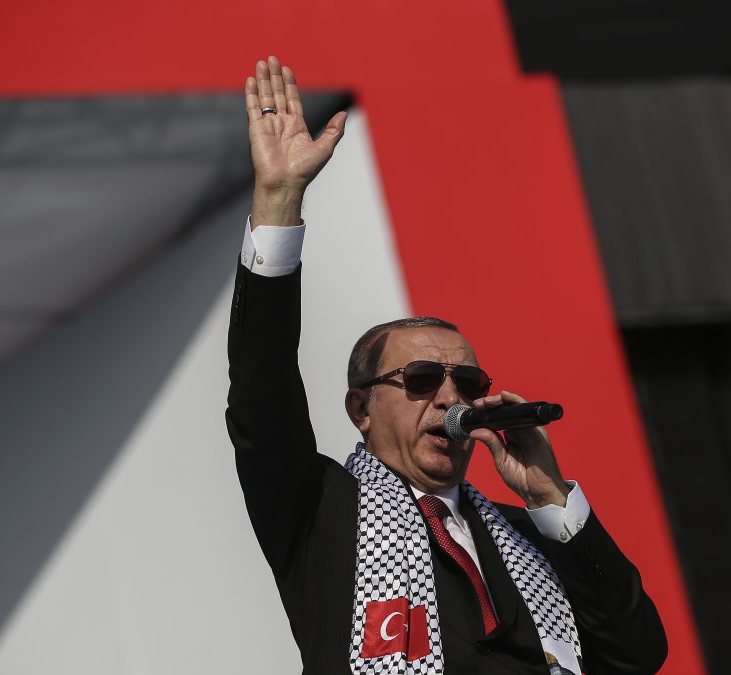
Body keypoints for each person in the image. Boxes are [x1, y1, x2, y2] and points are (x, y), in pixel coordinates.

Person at [226, 56, 667, 675]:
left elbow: (637, 653)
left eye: (468, 382)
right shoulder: (320, 512)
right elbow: (261, 387)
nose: (450, 398)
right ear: (360, 408)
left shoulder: (525, 536)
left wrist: (550, 499)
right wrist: (278, 199)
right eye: (422, 381)